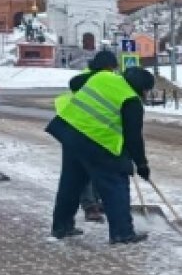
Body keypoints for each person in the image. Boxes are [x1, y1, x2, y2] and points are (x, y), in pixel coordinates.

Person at [47, 65, 155, 244]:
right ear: (141, 88)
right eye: (147, 91)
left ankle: (61, 226)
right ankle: (122, 233)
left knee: (70, 184)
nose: (146, 95)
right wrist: (141, 164)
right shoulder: (131, 100)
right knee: (116, 184)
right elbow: (133, 137)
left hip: (70, 133)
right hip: (96, 142)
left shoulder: (103, 76)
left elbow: (75, 82)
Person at [55, 49, 119, 223]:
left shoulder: (106, 79)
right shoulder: (87, 77)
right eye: (110, 68)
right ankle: (89, 206)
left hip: (94, 129)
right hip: (76, 128)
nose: (112, 72)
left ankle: (96, 203)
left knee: (98, 168)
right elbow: (74, 83)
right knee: (82, 172)